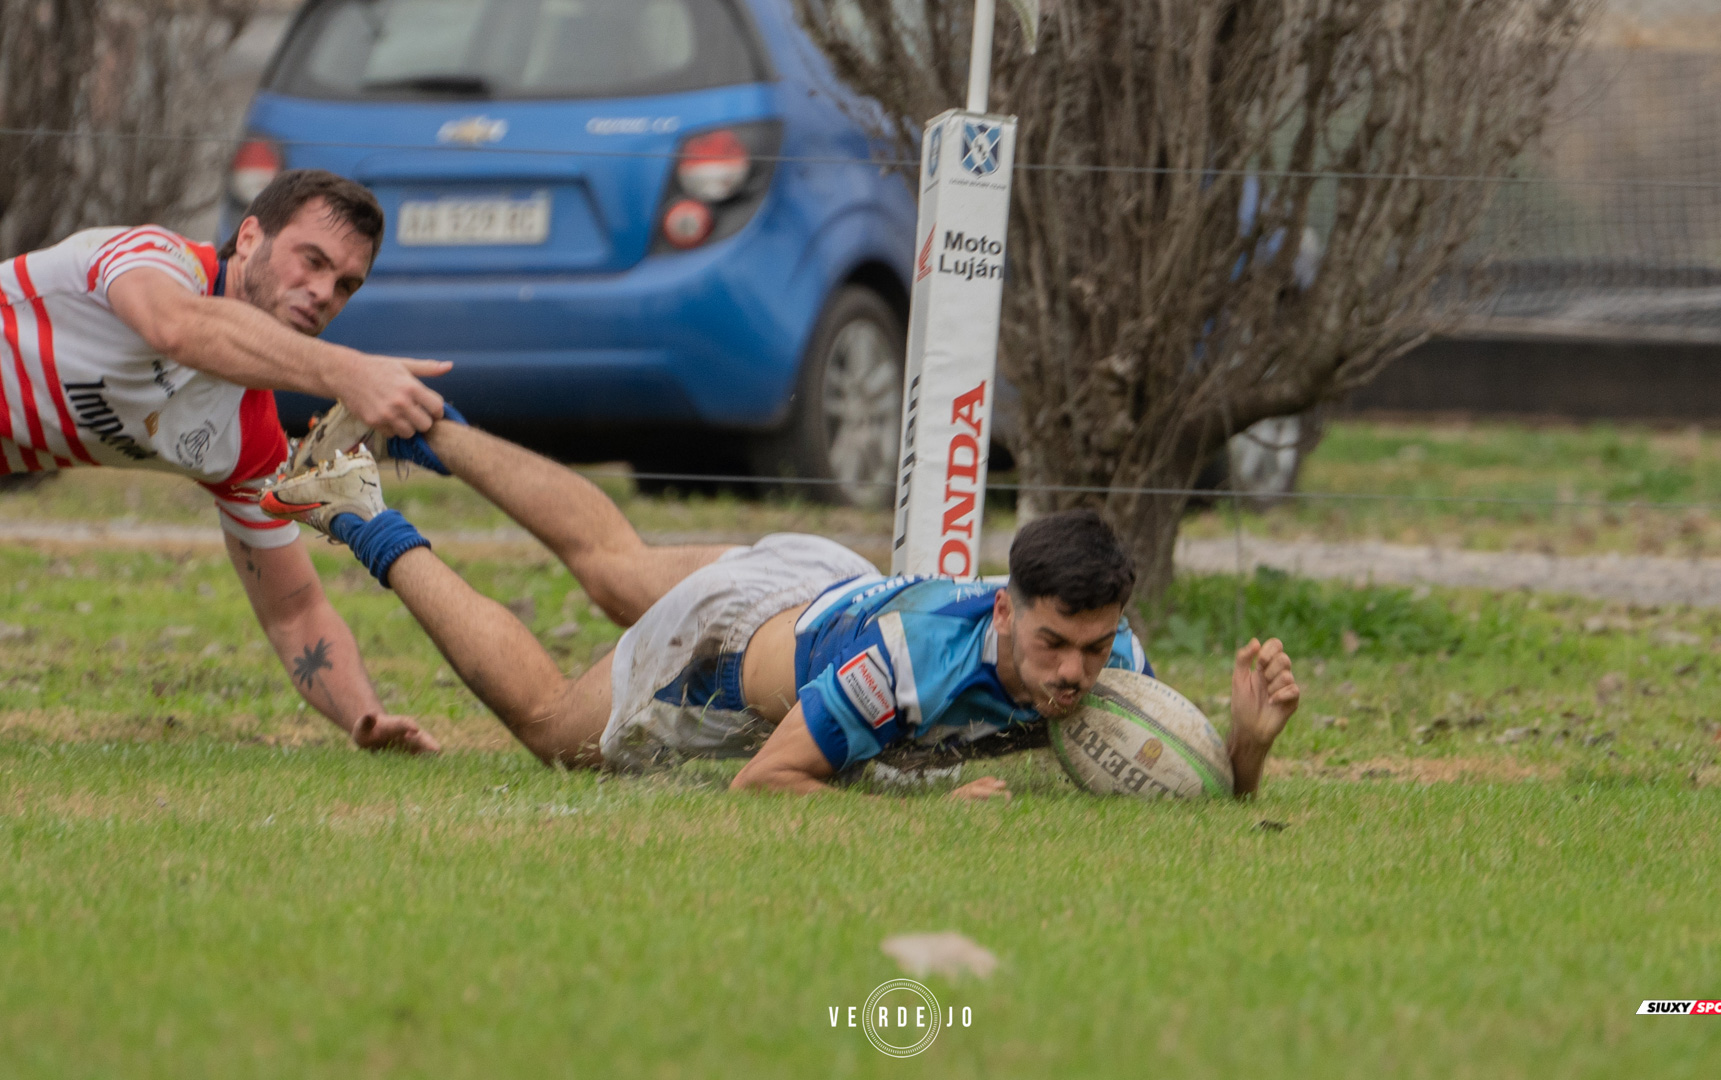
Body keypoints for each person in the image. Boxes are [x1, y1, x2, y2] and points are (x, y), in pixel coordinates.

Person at [264, 412, 1303, 796]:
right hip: (730, 650)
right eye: (1052, 645)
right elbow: (767, 780)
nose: (1074, 674)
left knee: (616, 566)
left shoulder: (1114, 652)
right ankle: (358, 509)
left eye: (1092, 647)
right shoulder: (906, 667)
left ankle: (426, 424)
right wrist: (929, 816)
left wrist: (1246, 751)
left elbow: (1176, 772)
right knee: (551, 729)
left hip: (822, 582)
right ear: (1004, 612)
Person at [0, 169, 449, 753]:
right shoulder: (156, 259)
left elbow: (295, 613)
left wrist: (367, 717)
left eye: (344, 285)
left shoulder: (247, 439)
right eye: (311, 260)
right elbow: (176, 327)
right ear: (250, 237)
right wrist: (345, 371)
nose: (323, 292)